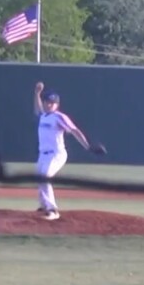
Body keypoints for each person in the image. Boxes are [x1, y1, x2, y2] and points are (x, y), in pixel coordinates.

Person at [32, 82, 101, 221]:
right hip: (43, 155)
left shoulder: (59, 117)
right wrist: (37, 94)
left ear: (57, 104)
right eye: (47, 102)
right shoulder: (43, 115)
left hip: (56, 153)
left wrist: (87, 146)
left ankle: (53, 210)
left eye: (52, 103)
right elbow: (37, 109)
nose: (49, 105)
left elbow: (75, 131)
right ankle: (44, 206)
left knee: (45, 178)